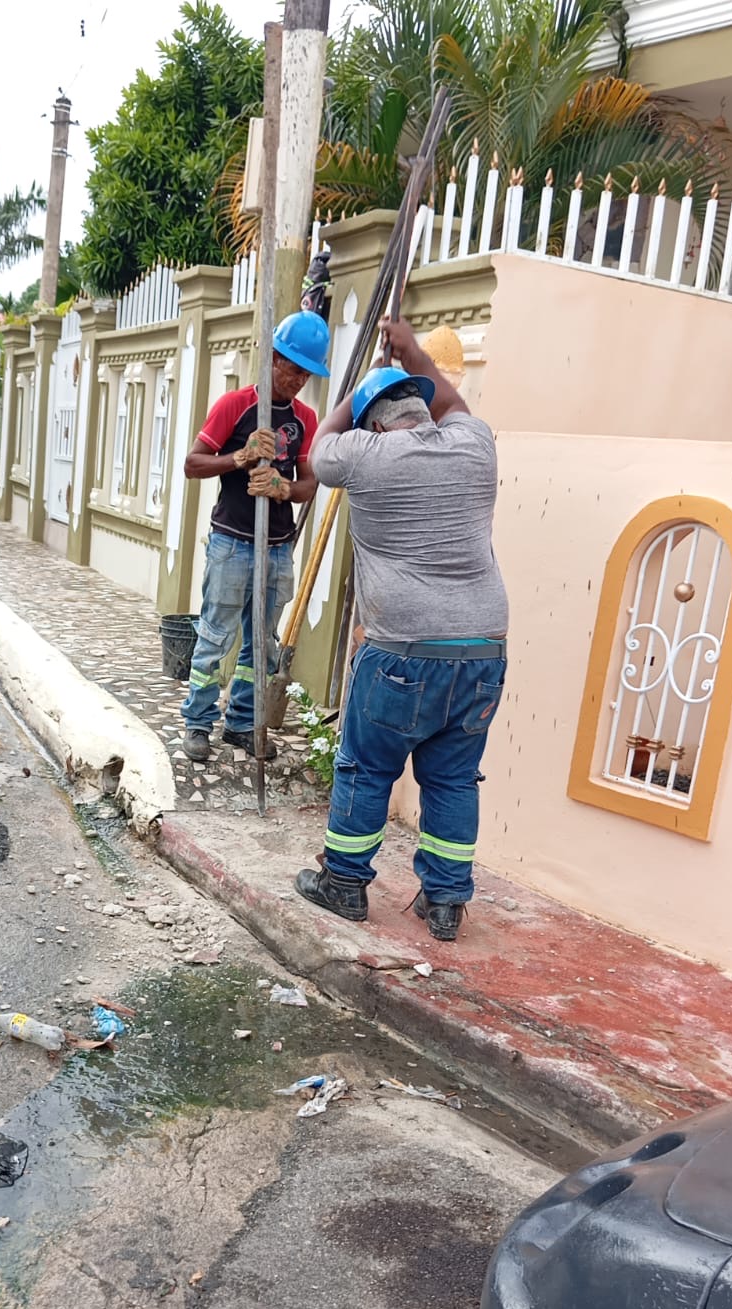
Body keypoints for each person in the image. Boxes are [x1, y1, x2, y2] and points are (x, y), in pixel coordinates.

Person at [294, 317, 507, 942]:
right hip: (482, 650)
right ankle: (445, 904)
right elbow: (455, 403)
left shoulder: (365, 455)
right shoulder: (475, 443)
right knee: (452, 777)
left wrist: (350, 401)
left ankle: (346, 884)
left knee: (366, 767)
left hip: (400, 651)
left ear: (374, 424)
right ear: (422, 411)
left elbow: (319, 449)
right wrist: (414, 353)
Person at [179, 310, 331, 764]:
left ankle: (242, 724)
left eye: (306, 372)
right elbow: (193, 464)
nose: (297, 378)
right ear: (272, 359)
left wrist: (283, 488)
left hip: (277, 548)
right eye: (292, 367)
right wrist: (240, 458)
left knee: (260, 641)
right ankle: (198, 723)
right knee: (215, 634)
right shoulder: (236, 405)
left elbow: (309, 485)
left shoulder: (305, 418)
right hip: (231, 543)